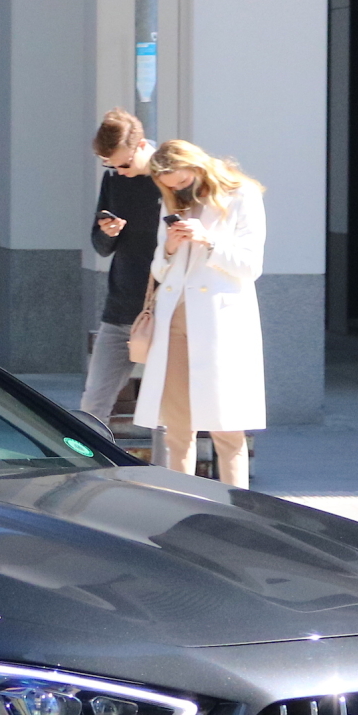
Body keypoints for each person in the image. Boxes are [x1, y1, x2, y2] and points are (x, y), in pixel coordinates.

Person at [131, 138, 267, 488]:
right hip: (175, 317)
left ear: (196, 164)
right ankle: (181, 502)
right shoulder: (173, 202)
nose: (179, 189)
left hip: (221, 323)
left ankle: (238, 506)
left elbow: (250, 266)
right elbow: (160, 271)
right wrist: (172, 248)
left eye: (182, 181)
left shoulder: (242, 195)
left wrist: (209, 241)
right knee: (178, 427)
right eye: (171, 186)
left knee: (226, 426)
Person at [81, 108, 162, 431]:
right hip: (120, 306)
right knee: (93, 404)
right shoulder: (114, 179)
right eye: (110, 165)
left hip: (164, 308)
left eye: (124, 164)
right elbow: (100, 245)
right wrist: (107, 233)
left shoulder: (169, 180)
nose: (119, 171)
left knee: (168, 410)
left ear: (142, 146)